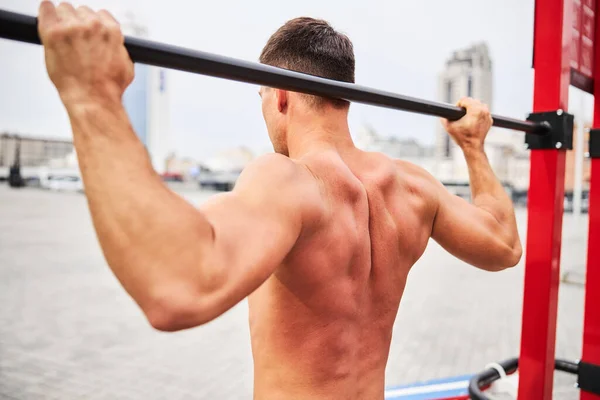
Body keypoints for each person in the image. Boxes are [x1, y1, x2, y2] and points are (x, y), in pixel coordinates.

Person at [37, 2, 522, 399]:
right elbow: (503, 244)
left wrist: (91, 95)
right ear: (343, 97)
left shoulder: (291, 181)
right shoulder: (414, 188)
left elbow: (177, 289)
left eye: (263, 98)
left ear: (282, 98)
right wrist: (473, 149)